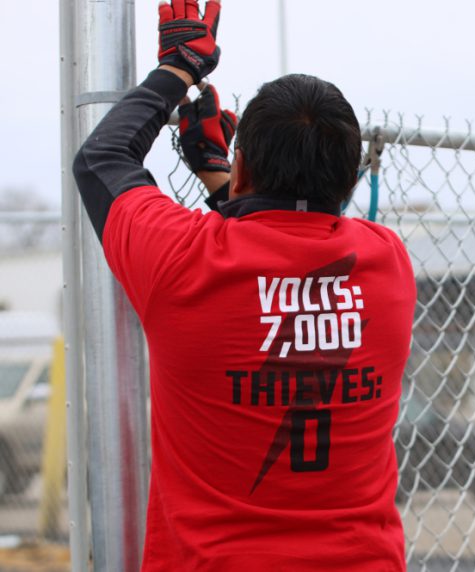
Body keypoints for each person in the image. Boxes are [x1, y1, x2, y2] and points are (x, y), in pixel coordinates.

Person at [72, 1, 415, 569]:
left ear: (246, 170)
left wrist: (181, 66)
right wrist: (224, 175)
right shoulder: (388, 266)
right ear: (348, 177)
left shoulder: (183, 260)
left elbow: (102, 158)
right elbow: (296, 240)